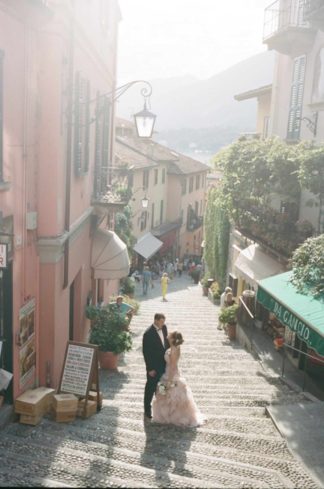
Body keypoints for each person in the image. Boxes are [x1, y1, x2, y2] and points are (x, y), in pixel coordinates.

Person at [152, 330, 204, 427]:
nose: (167, 335)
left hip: (171, 376)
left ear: (172, 338)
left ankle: (173, 417)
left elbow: (172, 367)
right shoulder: (172, 348)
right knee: (162, 394)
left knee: (169, 394)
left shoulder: (175, 350)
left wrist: (169, 381)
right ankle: (165, 417)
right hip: (166, 374)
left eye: (169, 335)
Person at [142, 313, 170, 419]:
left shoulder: (164, 328)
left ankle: (161, 408)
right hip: (154, 367)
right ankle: (147, 410)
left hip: (164, 364)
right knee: (150, 387)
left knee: (162, 387)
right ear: (156, 320)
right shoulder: (148, 334)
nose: (163, 324)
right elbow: (146, 353)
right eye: (162, 322)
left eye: (164, 322)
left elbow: (166, 344)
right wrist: (150, 369)